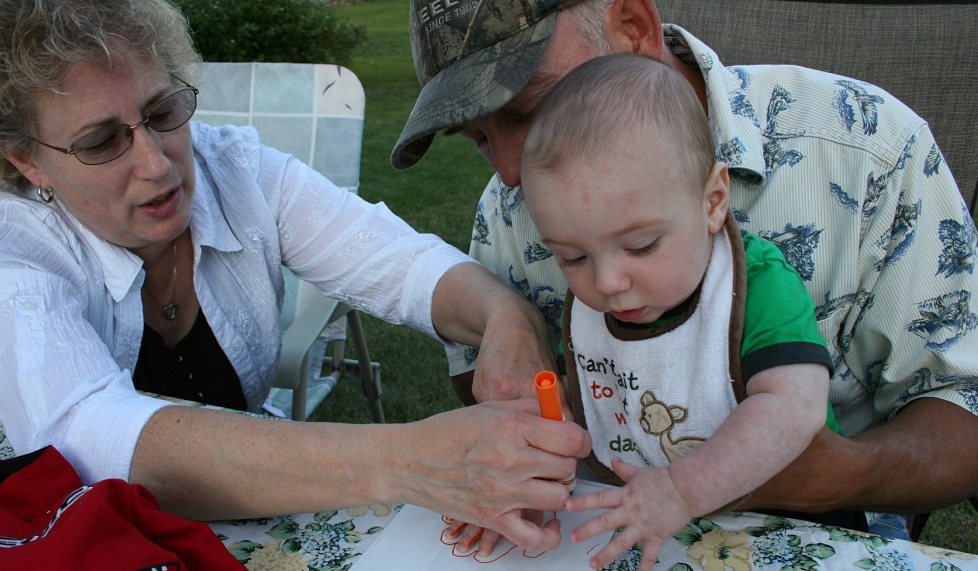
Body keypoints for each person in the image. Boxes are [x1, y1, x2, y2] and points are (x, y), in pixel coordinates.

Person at [0, 0, 591, 551]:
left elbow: (402, 264)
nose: (156, 163)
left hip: (256, 530)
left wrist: (506, 317)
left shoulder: (236, 170)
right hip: (94, 560)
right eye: (101, 143)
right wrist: (411, 461)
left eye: (164, 110)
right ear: (25, 160)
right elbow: (88, 436)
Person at [392, 0, 978, 538]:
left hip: (805, 535)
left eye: (530, 107)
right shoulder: (508, 207)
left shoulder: (867, 148)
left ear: (633, 28)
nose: (512, 171)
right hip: (607, 532)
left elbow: (964, 402)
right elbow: (487, 387)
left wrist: (836, 476)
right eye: (477, 138)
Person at [520, 53, 835, 571]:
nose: (607, 283)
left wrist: (678, 489)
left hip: (792, 532)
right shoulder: (598, 301)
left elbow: (795, 407)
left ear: (713, 201)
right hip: (647, 532)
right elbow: (582, 396)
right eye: (572, 257)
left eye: (642, 246)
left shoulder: (754, 284)